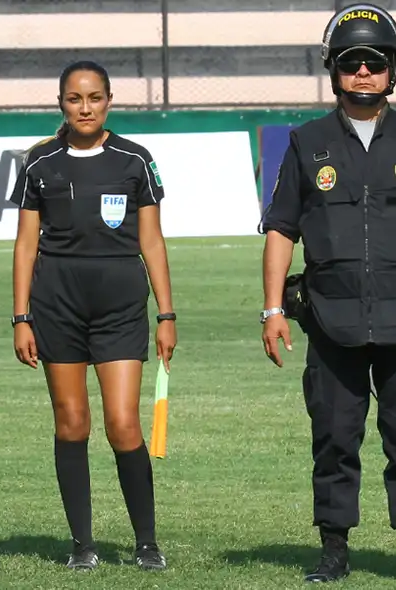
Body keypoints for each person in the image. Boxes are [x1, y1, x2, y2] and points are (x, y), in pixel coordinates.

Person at [9, 60, 176, 572]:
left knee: (123, 425)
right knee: (72, 424)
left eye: (94, 97)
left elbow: (152, 240)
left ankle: (146, 543)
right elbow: (25, 245)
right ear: (61, 103)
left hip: (120, 308)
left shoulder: (135, 159)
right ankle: (82, 545)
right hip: (56, 307)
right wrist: (21, 317)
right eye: (75, 98)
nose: (85, 107)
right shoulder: (39, 162)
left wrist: (166, 313)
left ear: (109, 101)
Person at [260, 3, 396, 583]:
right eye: (351, 62)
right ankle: (334, 550)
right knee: (335, 439)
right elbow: (280, 229)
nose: (363, 72)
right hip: (331, 320)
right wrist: (272, 308)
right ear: (333, 69)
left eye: (375, 62)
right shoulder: (306, 141)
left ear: (392, 69)